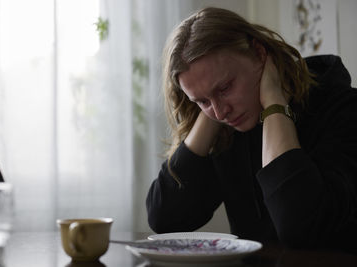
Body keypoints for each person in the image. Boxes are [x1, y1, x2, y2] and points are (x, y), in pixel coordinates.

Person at [146, 7, 357, 252]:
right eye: (201, 101)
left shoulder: (343, 109)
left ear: (259, 53)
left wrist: (274, 105)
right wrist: (209, 111)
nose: (221, 111)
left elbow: (301, 229)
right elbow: (164, 219)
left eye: (225, 87)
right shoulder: (226, 123)